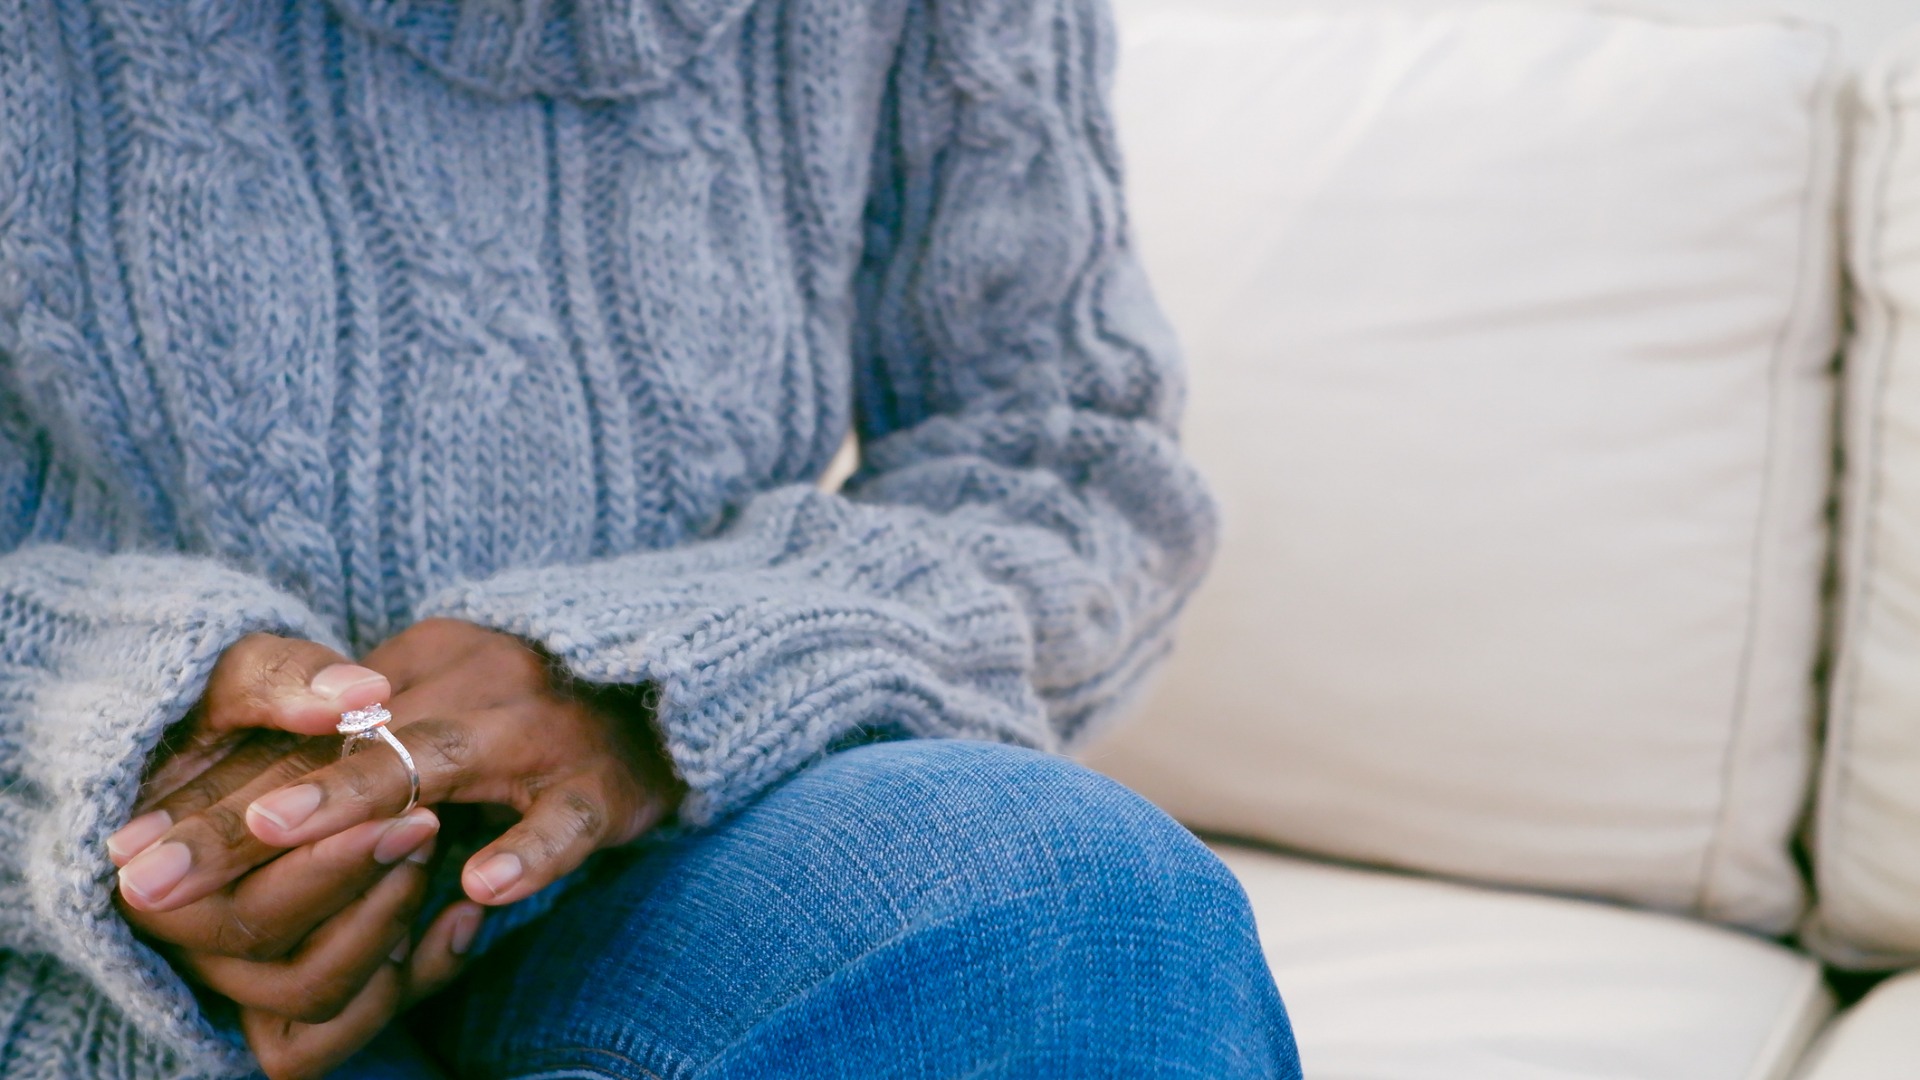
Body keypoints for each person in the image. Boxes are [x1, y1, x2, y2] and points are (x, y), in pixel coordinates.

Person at [0, 0, 1300, 1076]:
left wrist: (649, 681)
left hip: (691, 856)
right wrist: (95, 745)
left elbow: (1070, 458)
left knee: (1059, 908)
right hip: (60, 932)